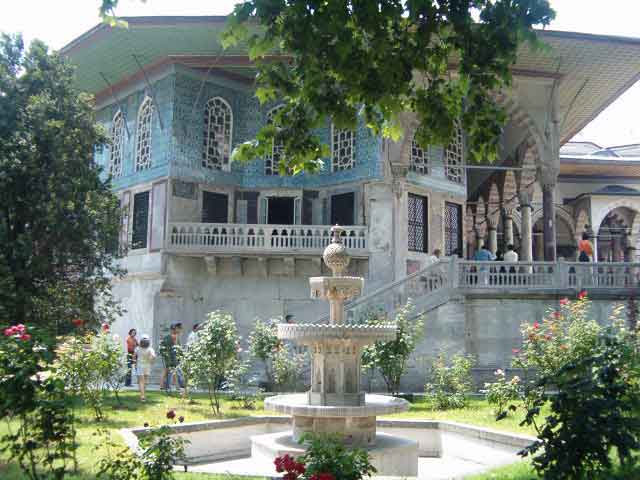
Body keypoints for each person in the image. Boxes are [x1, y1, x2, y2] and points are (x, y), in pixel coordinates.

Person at [160, 323, 184, 391]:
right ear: (174, 329)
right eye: (177, 328)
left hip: (173, 357)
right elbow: (175, 347)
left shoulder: (175, 336)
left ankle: (176, 386)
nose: (179, 329)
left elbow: (178, 348)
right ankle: (163, 385)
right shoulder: (171, 337)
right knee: (167, 371)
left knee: (173, 371)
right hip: (170, 357)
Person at [135, 334, 156, 402]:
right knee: (145, 381)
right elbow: (153, 356)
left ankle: (142, 396)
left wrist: (134, 363)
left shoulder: (138, 348)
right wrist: (151, 361)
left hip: (140, 366)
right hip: (147, 366)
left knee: (141, 381)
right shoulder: (150, 349)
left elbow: (134, 356)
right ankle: (144, 393)